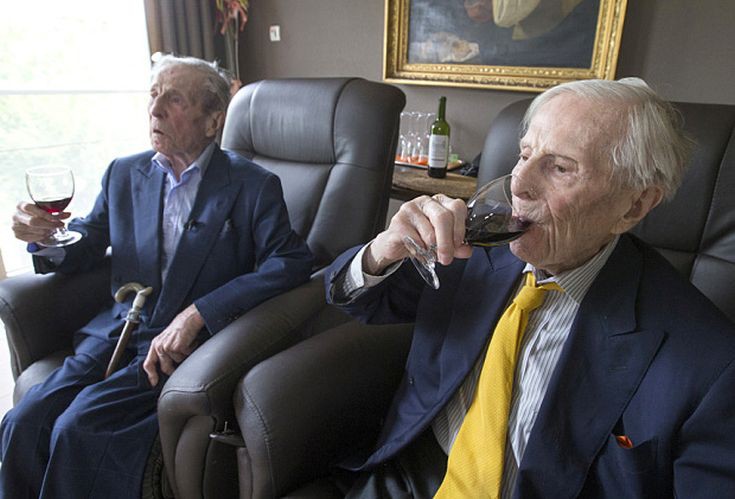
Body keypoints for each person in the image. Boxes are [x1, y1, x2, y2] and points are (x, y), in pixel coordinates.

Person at [325, 77, 735, 497]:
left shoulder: (711, 364)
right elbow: (363, 302)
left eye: (560, 167)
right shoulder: (472, 245)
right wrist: (383, 250)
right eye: (524, 154)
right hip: (412, 475)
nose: (518, 183)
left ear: (633, 206)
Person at [1, 54, 314, 498]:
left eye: (174, 99)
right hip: (115, 332)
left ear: (212, 121)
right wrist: (45, 237)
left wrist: (198, 313)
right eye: (153, 96)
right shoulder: (124, 173)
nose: (155, 109)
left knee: (77, 427)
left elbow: (290, 262)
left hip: (180, 348)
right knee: (23, 422)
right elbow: (86, 242)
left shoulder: (252, 185)